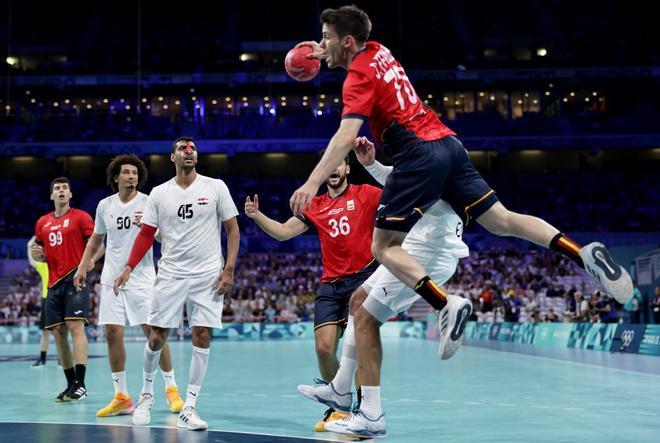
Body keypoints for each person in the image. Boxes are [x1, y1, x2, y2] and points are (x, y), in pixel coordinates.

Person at [288, 5, 632, 436]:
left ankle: (443, 304)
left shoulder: (358, 71)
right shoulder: (379, 51)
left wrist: (311, 182)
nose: (321, 42)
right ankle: (581, 253)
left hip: (416, 153)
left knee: (382, 247)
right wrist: (325, 51)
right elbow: (353, 48)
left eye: (326, 36)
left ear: (348, 41)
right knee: (502, 219)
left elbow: (343, 135)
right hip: (449, 145)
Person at [297, 136, 470, 438]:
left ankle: (370, 415)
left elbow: (395, 181)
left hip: (425, 252)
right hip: (415, 248)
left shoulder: (430, 167)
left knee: (365, 319)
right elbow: (394, 178)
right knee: (358, 301)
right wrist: (371, 163)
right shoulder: (440, 166)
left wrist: (367, 164)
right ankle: (339, 389)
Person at [244, 152, 381, 431]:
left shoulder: (366, 194)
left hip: (363, 280)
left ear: (347, 168)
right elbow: (283, 232)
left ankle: (362, 411)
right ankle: (338, 407)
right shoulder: (315, 205)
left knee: (358, 347)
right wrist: (257, 216)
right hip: (331, 285)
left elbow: (398, 195)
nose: (333, 168)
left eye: (338, 163)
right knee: (323, 348)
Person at [113, 137, 240, 431]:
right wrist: (128, 267)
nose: (188, 152)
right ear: (173, 157)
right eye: (183, 149)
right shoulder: (160, 193)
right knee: (156, 338)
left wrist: (229, 269)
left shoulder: (216, 187)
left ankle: (190, 406)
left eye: (192, 149)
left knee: (203, 336)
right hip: (170, 274)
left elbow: (232, 230)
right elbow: (146, 234)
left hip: (207, 274)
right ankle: (146, 395)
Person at [73, 154, 184, 417]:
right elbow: (96, 240)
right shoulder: (104, 206)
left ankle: (171, 389)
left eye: (135, 173)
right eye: (126, 172)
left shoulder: (149, 202)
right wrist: (83, 265)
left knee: (155, 334)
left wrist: (151, 231)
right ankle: (121, 396)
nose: (132, 176)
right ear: (115, 177)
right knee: (112, 332)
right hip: (112, 278)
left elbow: (165, 236)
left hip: (142, 278)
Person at [32, 177, 99, 401]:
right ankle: (70, 384)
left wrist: (90, 261)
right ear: (51, 195)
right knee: (58, 332)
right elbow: (38, 250)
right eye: (57, 189)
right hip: (53, 283)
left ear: (70, 194)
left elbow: (99, 245)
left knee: (75, 326)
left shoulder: (81, 217)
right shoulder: (42, 223)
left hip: (75, 277)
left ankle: (81, 382)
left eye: (65, 188)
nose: (61, 191)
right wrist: (36, 253)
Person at [27, 236, 51, 367]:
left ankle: (62, 360)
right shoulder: (43, 266)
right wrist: (35, 238)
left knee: (61, 331)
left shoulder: (57, 264)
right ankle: (42, 360)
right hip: (46, 299)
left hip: (57, 298)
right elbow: (30, 254)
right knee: (45, 331)